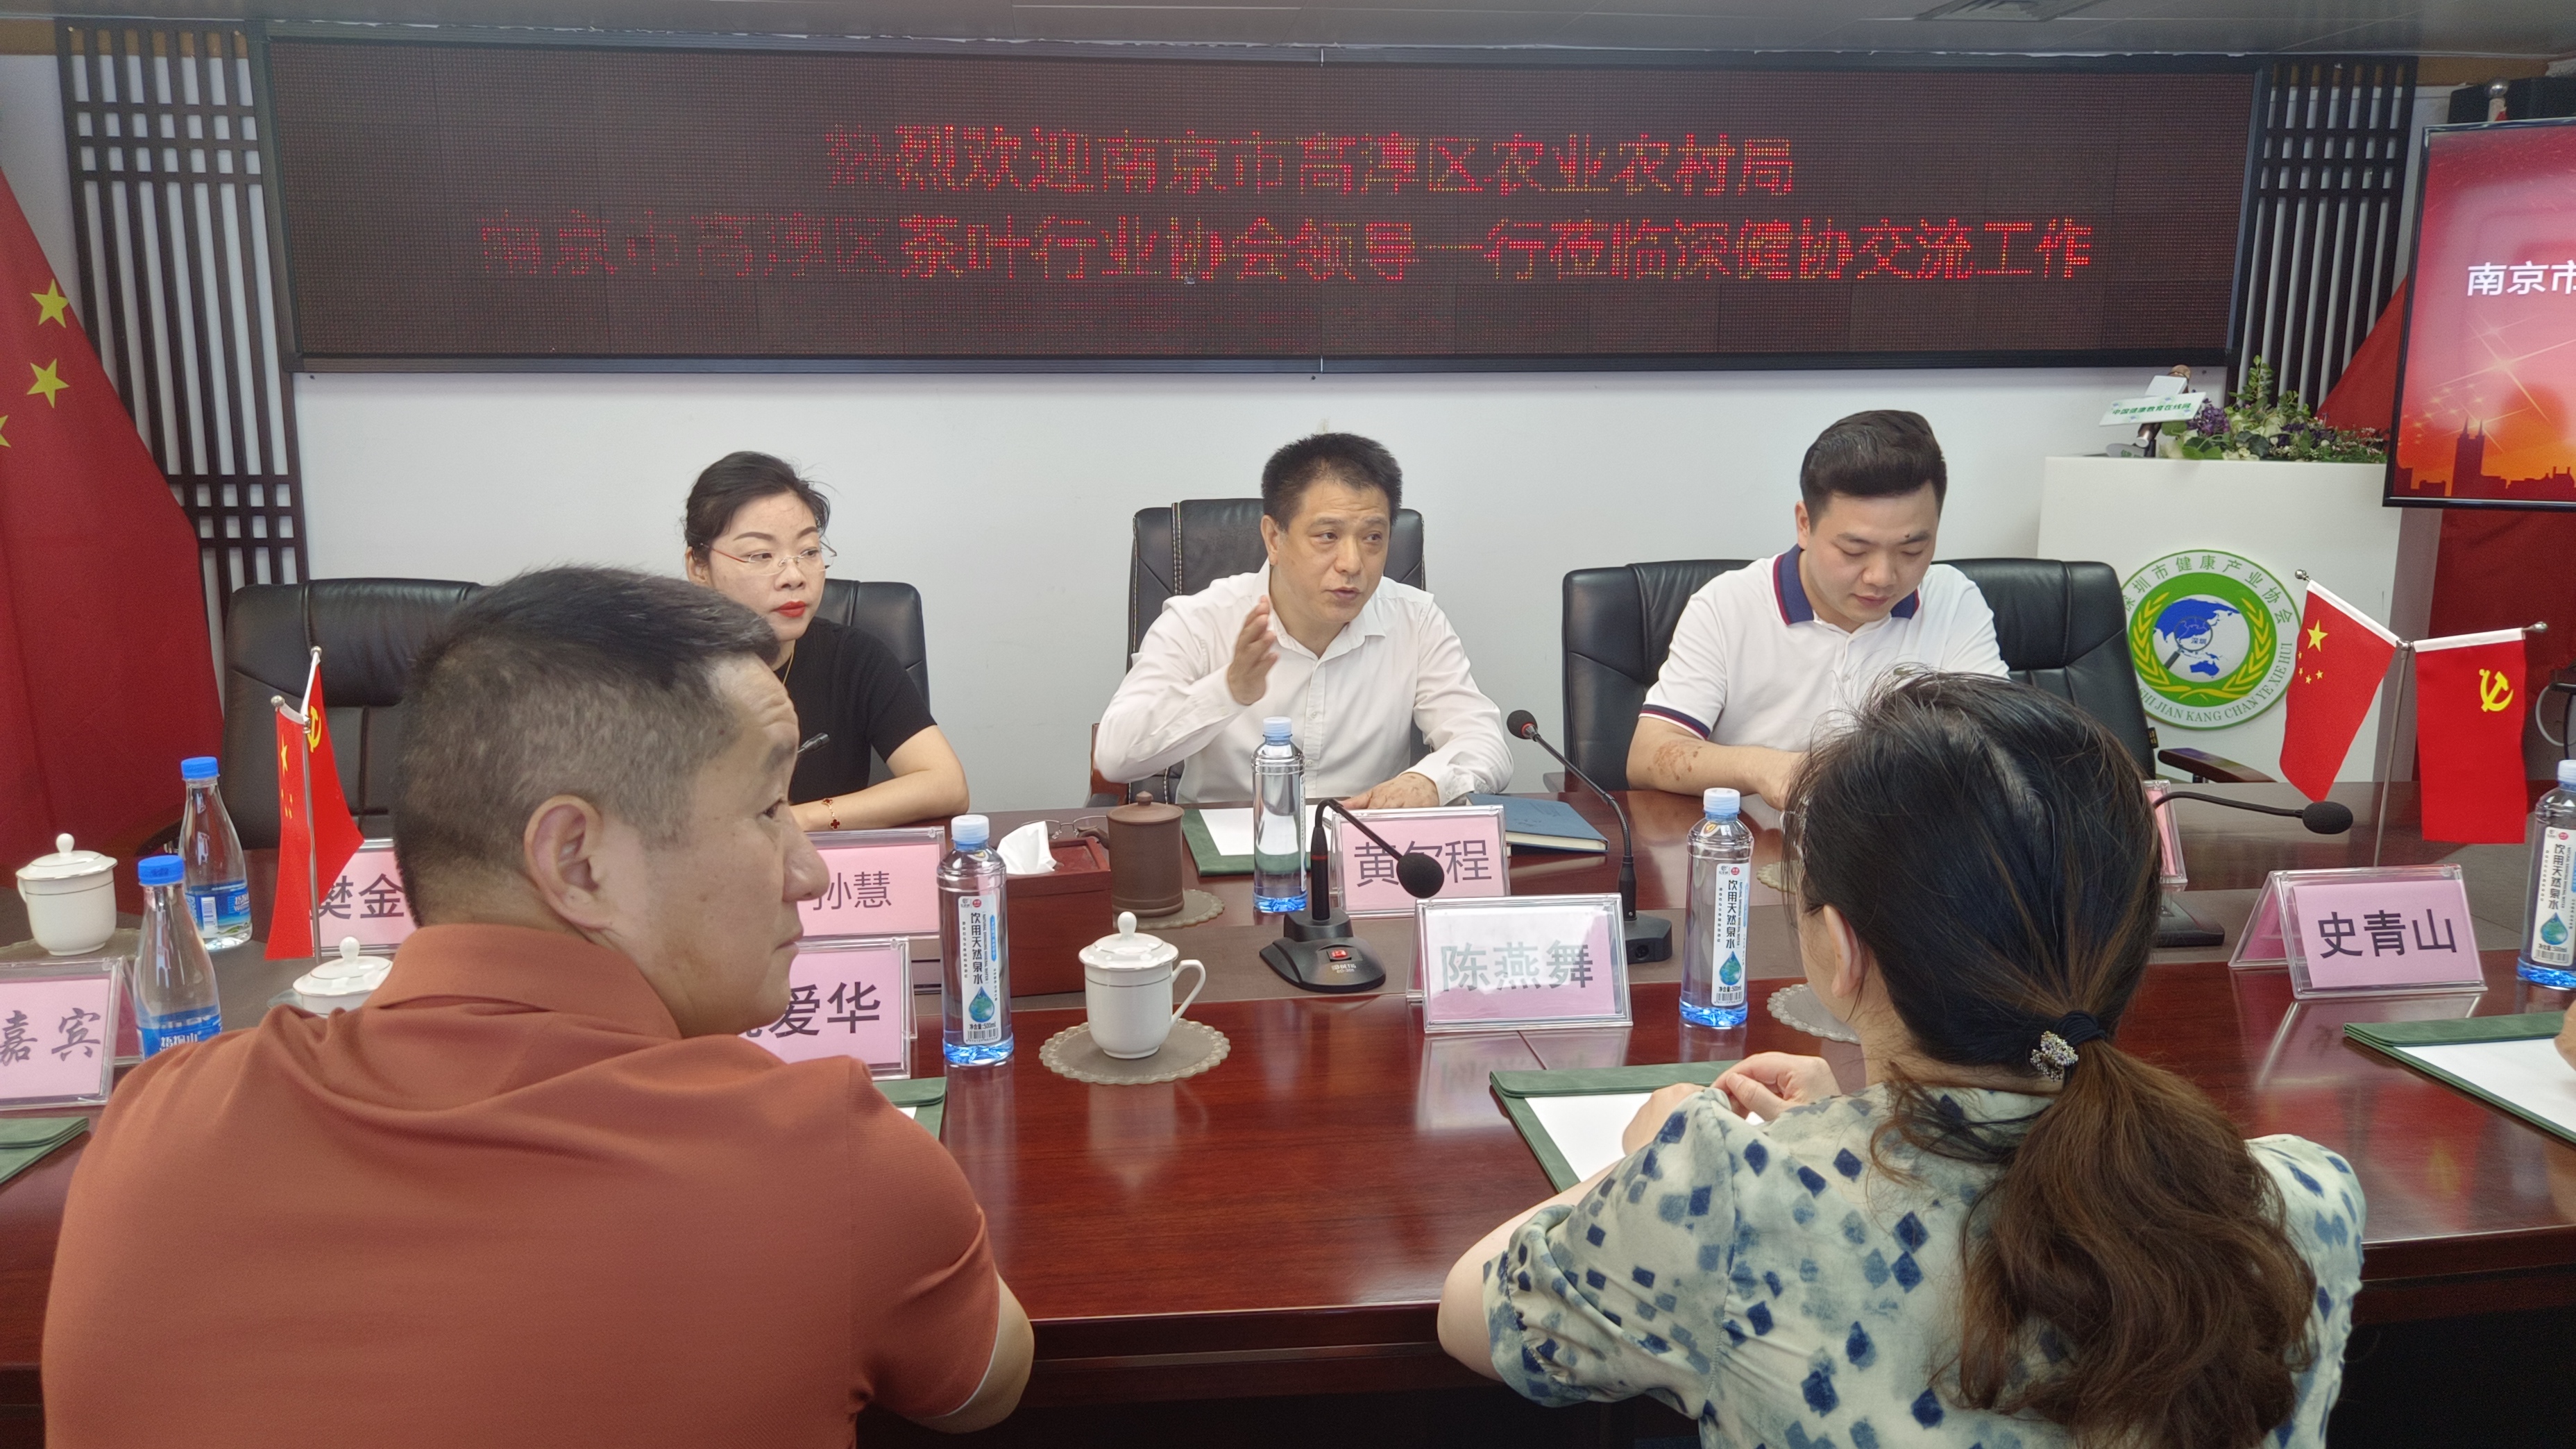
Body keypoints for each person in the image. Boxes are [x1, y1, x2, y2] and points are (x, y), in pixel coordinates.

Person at [43, 569, 1031, 1447]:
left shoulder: (156, 1121)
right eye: (770, 810)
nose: (810, 870)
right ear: (577, 860)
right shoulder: (822, 1156)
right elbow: (983, 1389)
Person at [1442, 673, 2360, 1449]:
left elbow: (1472, 1311)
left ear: (1842, 950)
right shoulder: (2305, 1200)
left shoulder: (1727, 1194)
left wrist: (1653, 1160)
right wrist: (1846, 1122)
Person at [1094, 432, 1512, 806]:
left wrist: (1431, 781)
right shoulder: (1200, 621)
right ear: (1274, 539)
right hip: (1220, 852)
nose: (1352, 564)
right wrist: (1229, 689)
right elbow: (1116, 757)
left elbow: (1484, 741)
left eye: (1373, 538)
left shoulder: (1416, 620)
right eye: (1327, 536)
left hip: (1363, 846)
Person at [1627, 410, 2006, 806]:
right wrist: (1766, 767)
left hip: (1904, 841)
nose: (1882, 577)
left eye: (1912, 551)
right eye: (1854, 550)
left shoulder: (1952, 600)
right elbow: (1649, 755)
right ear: (1805, 524)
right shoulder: (1727, 606)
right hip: (1760, 840)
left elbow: (2001, 750)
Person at [684, 450, 968, 831]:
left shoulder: (854, 658)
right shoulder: (655, 673)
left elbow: (946, 785)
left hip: (826, 865)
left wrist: (796, 820)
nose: (794, 576)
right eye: (761, 555)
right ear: (699, 567)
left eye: (808, 551)